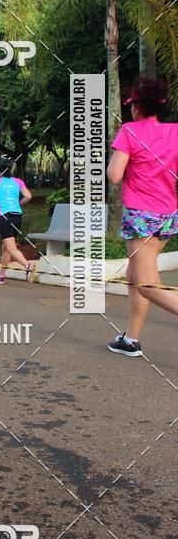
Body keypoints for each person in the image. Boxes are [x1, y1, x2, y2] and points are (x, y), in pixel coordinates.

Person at [106, 77, 178, 357]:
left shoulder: (130, 131)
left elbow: (114, 176)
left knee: (147, 285)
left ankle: (132, 338)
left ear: (137, 107)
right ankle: (131, 339)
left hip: (142, 217)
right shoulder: (174, 132)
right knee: (136, 274)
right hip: (168, 216)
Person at [0, 161, 33, 284]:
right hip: (17, 216)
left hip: (5, 218)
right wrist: (19, 203)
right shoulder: (18, 182)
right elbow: (28, 196)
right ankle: (1, 275)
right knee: (6, 247)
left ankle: (28, 265)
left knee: (11, 248)